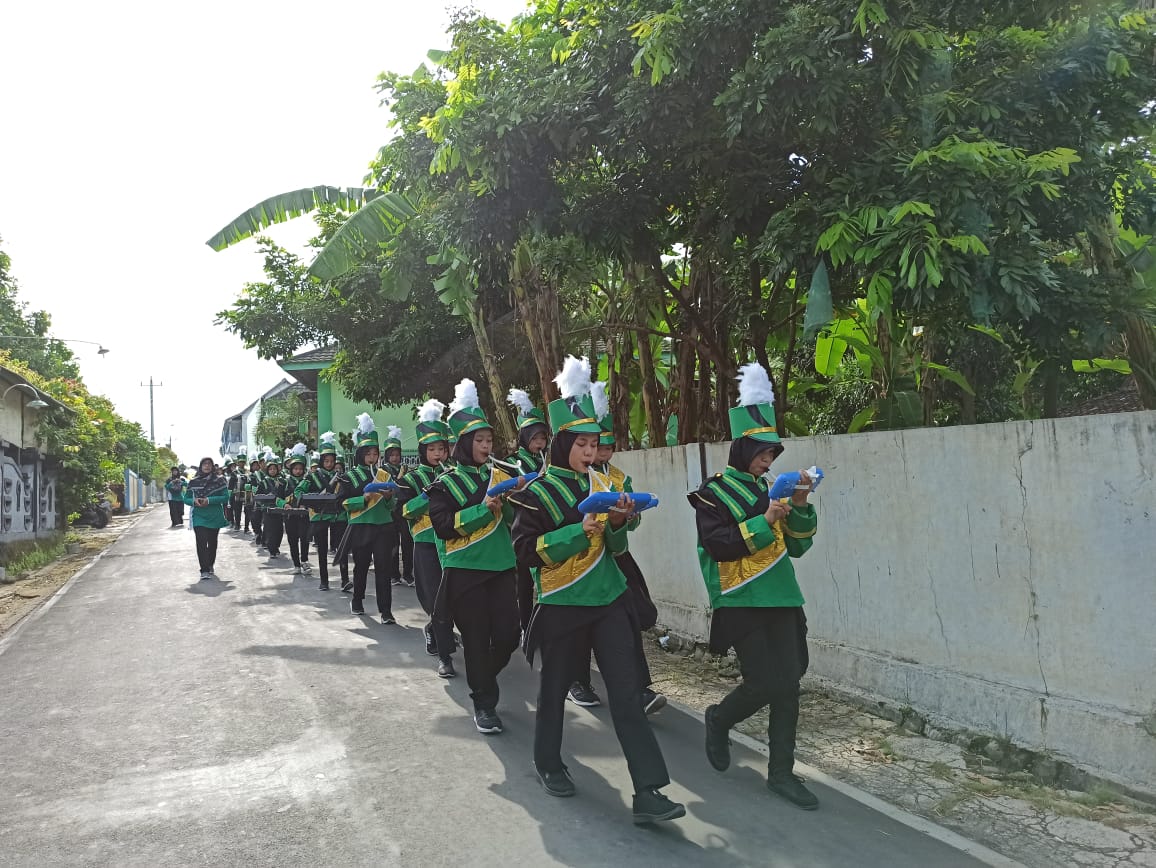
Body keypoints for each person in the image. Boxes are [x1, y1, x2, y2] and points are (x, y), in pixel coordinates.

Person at [509, 356, 684, 825]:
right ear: (563, 444)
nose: (590, 452)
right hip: (562, 605)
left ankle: (649, 791)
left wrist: (620, 521)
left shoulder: (608, 485)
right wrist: (578, 530)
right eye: (581, 444)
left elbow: (617, 547)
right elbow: (526, 551)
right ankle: (548, 762)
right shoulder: (536, 492)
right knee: (553, 691)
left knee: (626, 694)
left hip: (610, 601)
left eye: (594, 444)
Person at [689, 362, 820, 810]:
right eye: (761, 453)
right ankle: (719, 718)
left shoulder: (774, 489)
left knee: (790, 683)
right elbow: (719, 545)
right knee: (764, 682)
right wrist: (764, 519)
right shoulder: (712, 493)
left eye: (771, 455)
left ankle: (782, 773)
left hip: (782, 596)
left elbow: (797, 547)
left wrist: (800, 504)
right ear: (742, 450)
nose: (767, 461)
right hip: (741, 597)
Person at [566, 381, 667, 715]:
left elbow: (629, 524)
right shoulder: (562, 480)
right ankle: (576, 680)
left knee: (627, 621)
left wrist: (627, 518)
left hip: (613, 559)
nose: (598, 453)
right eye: (588, 445)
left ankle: (639, 690)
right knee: (578, 627)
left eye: (602, 446)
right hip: (577, 563)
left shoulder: (619, 479)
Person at [427, 379, 520, 735]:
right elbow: (443, 527)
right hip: (465, 571)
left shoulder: (503, 475)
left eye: (489, 441)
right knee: (477, 639)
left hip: (502, 566)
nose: (486, 446)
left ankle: (482, 677)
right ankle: (484, 703)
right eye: (479, 440)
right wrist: (483, 509)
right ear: (465, 444)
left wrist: (514, 499)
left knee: (509, 635)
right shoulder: (444, 484)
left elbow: (516, 521)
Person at [397, 399, 457, 677]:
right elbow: (404, 511)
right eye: (431, 449)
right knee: (435, 599)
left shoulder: (456, 474)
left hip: (454, 542)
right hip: (425, 543)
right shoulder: (411, 478)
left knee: (454, 598)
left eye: (441, 448)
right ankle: (445, 657)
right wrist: (426, 495)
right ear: (423, 451)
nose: (437, 453)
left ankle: (437, 629)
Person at [337, 414, 396, 622]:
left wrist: (388, 498)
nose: (372, 457)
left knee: (383, 569)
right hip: (361, 527)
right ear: (360, 454)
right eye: (368, 454)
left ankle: (386, 610)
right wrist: (362, 499)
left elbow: (392, 505)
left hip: (383, 527)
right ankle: (357, 600)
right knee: (361, 567)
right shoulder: (349, 477)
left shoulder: (385, 475)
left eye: (375, 453)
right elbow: (341, 503)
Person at [506, 387, 549, 636]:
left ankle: (542, 625)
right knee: (523, 581)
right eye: (534, 439)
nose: (539, 443)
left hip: (546, 524)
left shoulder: (550, 461)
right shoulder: (512, 463)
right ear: (524, 438)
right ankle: (524, 625)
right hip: (521, 525)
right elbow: (506, 494)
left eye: (543, 438)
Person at [294, 432, 344, 591]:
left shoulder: (341, 476)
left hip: (338, 516)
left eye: (332, 461)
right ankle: (324, 580)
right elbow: (298, 491)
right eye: (326, 461)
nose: (329, 464)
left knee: (341, 548)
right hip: (319, 515)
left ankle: (345, 580)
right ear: (321, 461)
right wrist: (307, 501)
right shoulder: (313, 476)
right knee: (322, 550)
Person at [182, 457, 230, 580]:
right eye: (204, 464)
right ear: (201, 466)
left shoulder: (219, 480)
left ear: (212, 466)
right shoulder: (193, 482)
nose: (207, 466)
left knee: (212, 543)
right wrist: (194, 501)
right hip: (199, 516)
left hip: (215, 516)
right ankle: (204, 569)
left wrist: (209, 500)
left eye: (209, 464)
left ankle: (210, 564)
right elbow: (186, 498)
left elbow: (225, 497)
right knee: (201, 542)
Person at [380, 426, 413, 588]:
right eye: (392, 455)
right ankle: (394, 574)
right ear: (387, 456)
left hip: (404, 509)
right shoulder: (383, 470)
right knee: (393, 543)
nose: (395, 458)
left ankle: (408, 573)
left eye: (397, 455)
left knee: (408, 542)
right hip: (390, 510)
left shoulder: (406, 468)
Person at [282, 443, 312, 576]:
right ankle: (296, 564)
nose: (298, 471)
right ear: (291, 469)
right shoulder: (284, 482)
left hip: (304, 515)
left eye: (300, 469)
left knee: (305, 539)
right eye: (295, 469)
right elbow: (277, 497)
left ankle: (304, 561)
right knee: (292, 540)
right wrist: (285, 504)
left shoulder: (308, 482)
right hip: (290, 516)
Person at [258, 453, 286, 561]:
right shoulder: (263, 482)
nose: (273, 471)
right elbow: (259, 496)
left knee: (279, 530)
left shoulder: (282, 481)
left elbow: (285, 494)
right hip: (268, 509)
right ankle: (272, 550)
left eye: (274, 469)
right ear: (267, 470)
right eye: (270, 469)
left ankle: (276, 546)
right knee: (270, 530)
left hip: (279, 509)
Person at [332, 456, 352, 592]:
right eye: (336, 468)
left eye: (340, 468)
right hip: (334, 518)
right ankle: (344, 579)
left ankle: (348, 579)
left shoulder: (347, 480)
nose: (338, 471)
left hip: (347, 518)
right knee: (340, 548)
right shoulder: (328, 480)